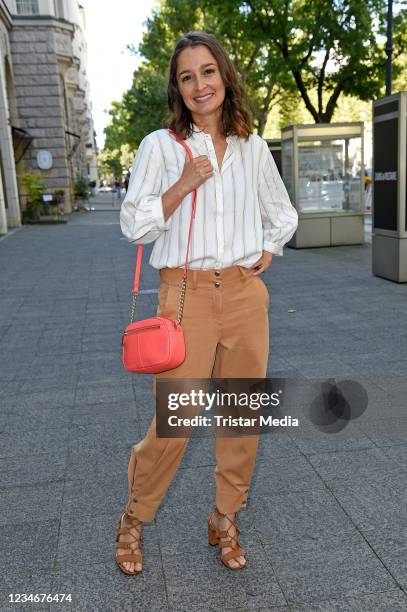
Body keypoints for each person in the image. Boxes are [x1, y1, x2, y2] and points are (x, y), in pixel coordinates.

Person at [117, 31, 298, 575]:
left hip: (244, 293)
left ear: (225, 75)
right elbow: (134, 226)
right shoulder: (160, 146)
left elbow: (282, 212)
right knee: (177, 418)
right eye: (187, 76)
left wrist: (268, 249)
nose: (200, 84)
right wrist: (181, 186)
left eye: (208, 71)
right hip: (184, 295)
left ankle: (225, 516)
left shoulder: (252, 146)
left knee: (243, 415)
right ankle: (135, 515)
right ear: (178, 87)